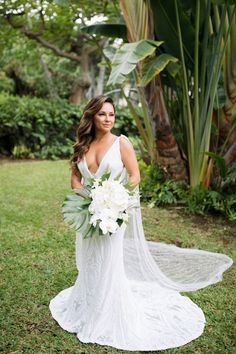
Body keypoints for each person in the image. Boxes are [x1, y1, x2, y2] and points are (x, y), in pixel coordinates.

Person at [49, 95, 233, 351]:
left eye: (111, 114)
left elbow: (135, 176)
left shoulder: (121, 143)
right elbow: (76, 179)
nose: (108, 119)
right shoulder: (83, 144)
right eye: (102, 114)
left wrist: (115, 196)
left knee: (109, 259)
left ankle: (107, 312)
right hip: (88, 211)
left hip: (113, 211)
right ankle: (88, 305)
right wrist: (87, 199)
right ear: (91, 116)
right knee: (91, 258)